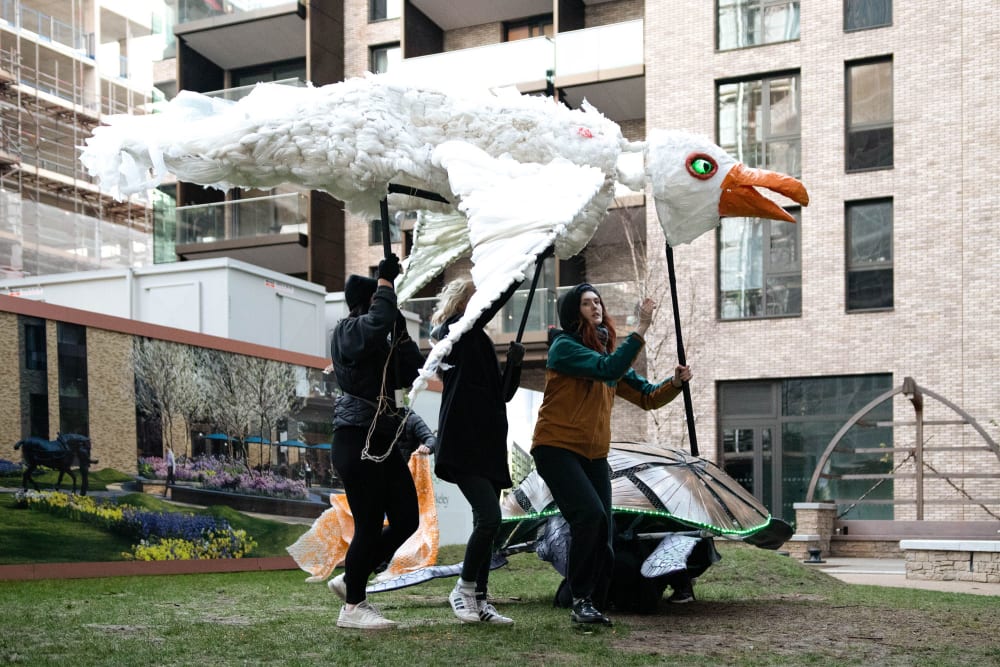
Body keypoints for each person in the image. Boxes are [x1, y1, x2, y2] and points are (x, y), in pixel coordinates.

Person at [531, 283, 692, 626]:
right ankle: (581, 600)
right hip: (556, 448)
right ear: (574, 313)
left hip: (593, 455)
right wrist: (642, 328)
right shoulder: (564, 348)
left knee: (603, 528)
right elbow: (607, 370)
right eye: (587, 303)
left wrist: (675, 384)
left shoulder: (607, 356)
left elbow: (647, 396)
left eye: (598, 301)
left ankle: (596, 601)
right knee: (588, 516)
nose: (596, 307)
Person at [326, 254, 425, 630]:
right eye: (380, 301)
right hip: (355, 440)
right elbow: (375, 322)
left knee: (406, 519)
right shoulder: (348, 331)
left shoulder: (379, 340)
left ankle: (353, 577)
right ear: (365, 303)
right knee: (368, 524)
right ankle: (353, 608)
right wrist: (385, 282)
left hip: (382, 442)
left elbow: (412, 365)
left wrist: (399, 329)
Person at [430, 277, 525, 625]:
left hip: (486, 443)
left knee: (483, 522)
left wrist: (513, 365)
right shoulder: (454, 334)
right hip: (463, 441)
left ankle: (480, 599)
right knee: (490, 518)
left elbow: (502, 394)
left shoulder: (478, 341)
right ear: (464, 304)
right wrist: (514, 277)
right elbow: (488, 308)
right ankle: (464, 589)